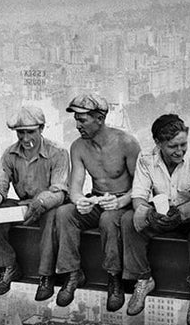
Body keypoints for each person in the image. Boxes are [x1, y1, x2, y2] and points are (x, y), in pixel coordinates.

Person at [122, 114, 190, 325]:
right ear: (158, 143)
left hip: (188, 216)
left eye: (183, 144)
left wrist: (181, 215)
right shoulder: (146, 158)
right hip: (159, 214)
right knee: (128, 220)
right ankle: (143, 279)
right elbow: (139, 195)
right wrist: (147, 213)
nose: (180, 151)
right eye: (173, 146)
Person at [52, 94, 140, 310]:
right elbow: (75, 187)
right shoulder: (78, 147)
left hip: (123, 202)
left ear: (99, 119)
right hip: (97, 198)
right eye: (76, 119)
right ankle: (73, 273)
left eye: (82, 120)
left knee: (109, 220)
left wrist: (121, 202)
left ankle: (114, 279)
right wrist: (80, 201)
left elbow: (141, 186)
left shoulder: (127, 143)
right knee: (64, 213)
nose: (77, 125)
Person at [0, 105, 69, 299]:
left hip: (48, 204)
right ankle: (9, 264)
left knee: (51, 217)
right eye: (21, 133)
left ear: (41, 129)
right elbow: (0, 185)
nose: (25, 139)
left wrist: (41, 202)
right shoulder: (10, 154)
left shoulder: (58, 153)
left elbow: (59, 190)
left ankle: (45, 275)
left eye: (30, 132)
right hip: (23, 205)